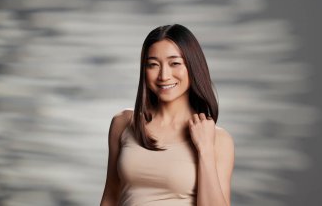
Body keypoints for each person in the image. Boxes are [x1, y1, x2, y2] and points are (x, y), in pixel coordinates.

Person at [100, 24, 235, 206]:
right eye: (153, 65)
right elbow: (110, 196)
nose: (164, 75)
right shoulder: (123, 123)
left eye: (175, 63)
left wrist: (205, 149)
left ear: (193, 67)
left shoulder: (218, 139)